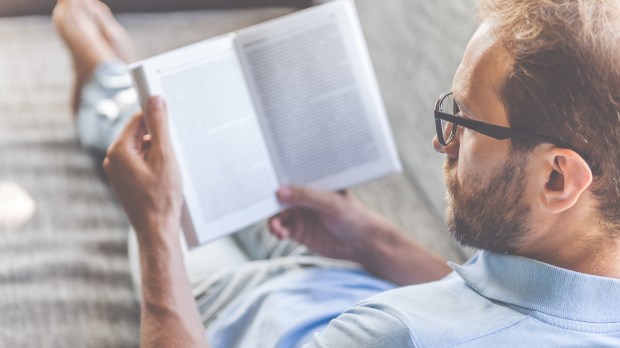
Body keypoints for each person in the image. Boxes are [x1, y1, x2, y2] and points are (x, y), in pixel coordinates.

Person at [53, 0, 620, 346]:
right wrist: (366, 236)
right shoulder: (578, 263)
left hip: (235, 308)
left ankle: (104, 83)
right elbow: (496, 303)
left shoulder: (398, 338)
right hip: (347, 274)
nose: (442, 142)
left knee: (161, 167)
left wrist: (156, 231)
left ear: (557, 179)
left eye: (466, 122)